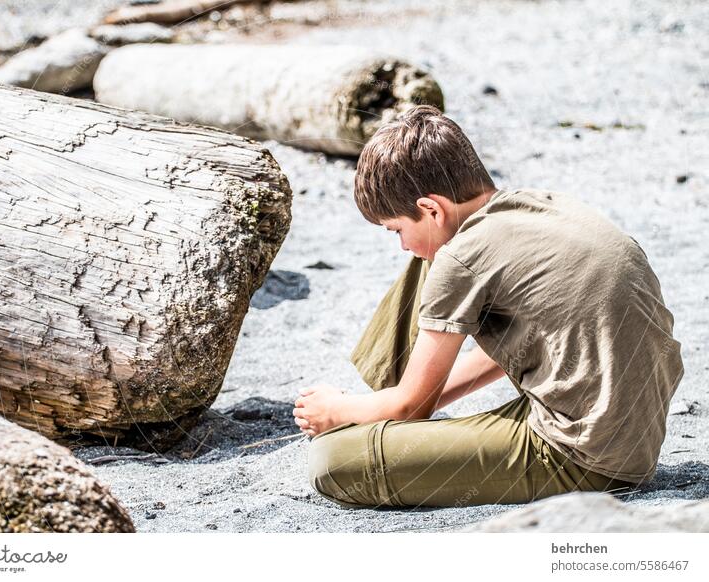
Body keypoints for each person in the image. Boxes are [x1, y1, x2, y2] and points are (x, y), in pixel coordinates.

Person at [292, 105, 684, 509]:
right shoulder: (537, 207)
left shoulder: (460, 258)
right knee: (432, 255)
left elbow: (410, 408)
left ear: (430, 208)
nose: (402, 245)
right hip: (631, 433)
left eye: (397, 230)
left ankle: (384, 407)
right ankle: (388, 402)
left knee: (333, 460)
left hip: (584, 458)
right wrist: (405, 402)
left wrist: (340, 411)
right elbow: (532, 336)